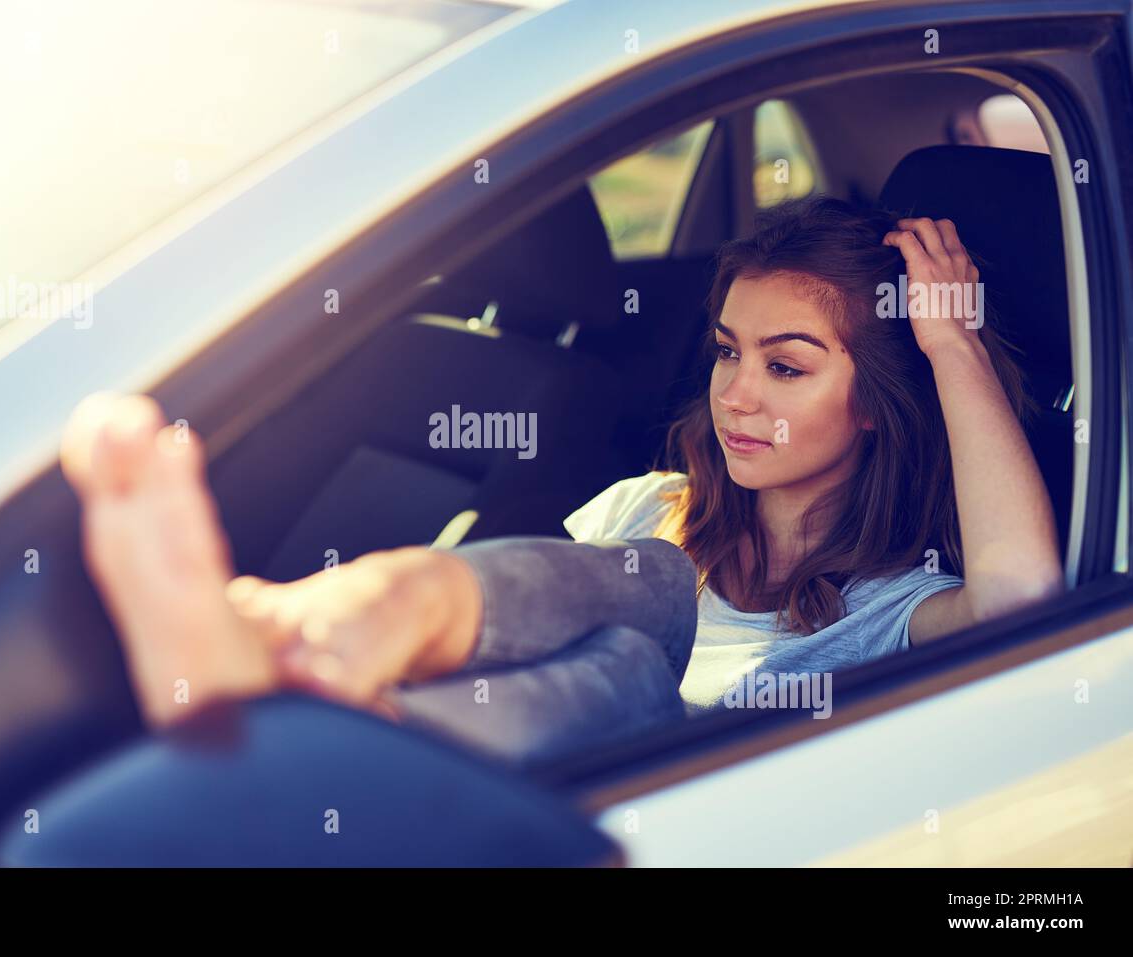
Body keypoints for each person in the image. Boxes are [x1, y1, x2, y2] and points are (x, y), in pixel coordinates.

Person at [58, 197, 1063, 762]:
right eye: (725, 353)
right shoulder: (650, 506)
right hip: (450, 749)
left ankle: (292, 665)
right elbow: (513, 654)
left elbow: (1021, 596)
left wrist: (950, 344)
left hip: (630, 808)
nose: (737, 396)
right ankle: (311, 634)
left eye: (785, 366)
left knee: (638, 675)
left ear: (878, 401)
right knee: (649, 581)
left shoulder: (894, 610)